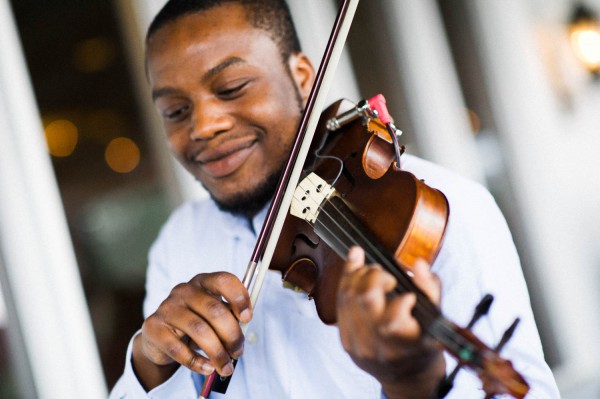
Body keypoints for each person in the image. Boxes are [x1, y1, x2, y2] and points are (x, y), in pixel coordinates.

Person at [110, 0, 560, 398]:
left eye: (231, 89)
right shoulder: (180, 239)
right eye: (175, 111)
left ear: (302, 76)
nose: (205, 125)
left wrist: (412, 385)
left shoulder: (437, 208)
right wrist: (149, 362)